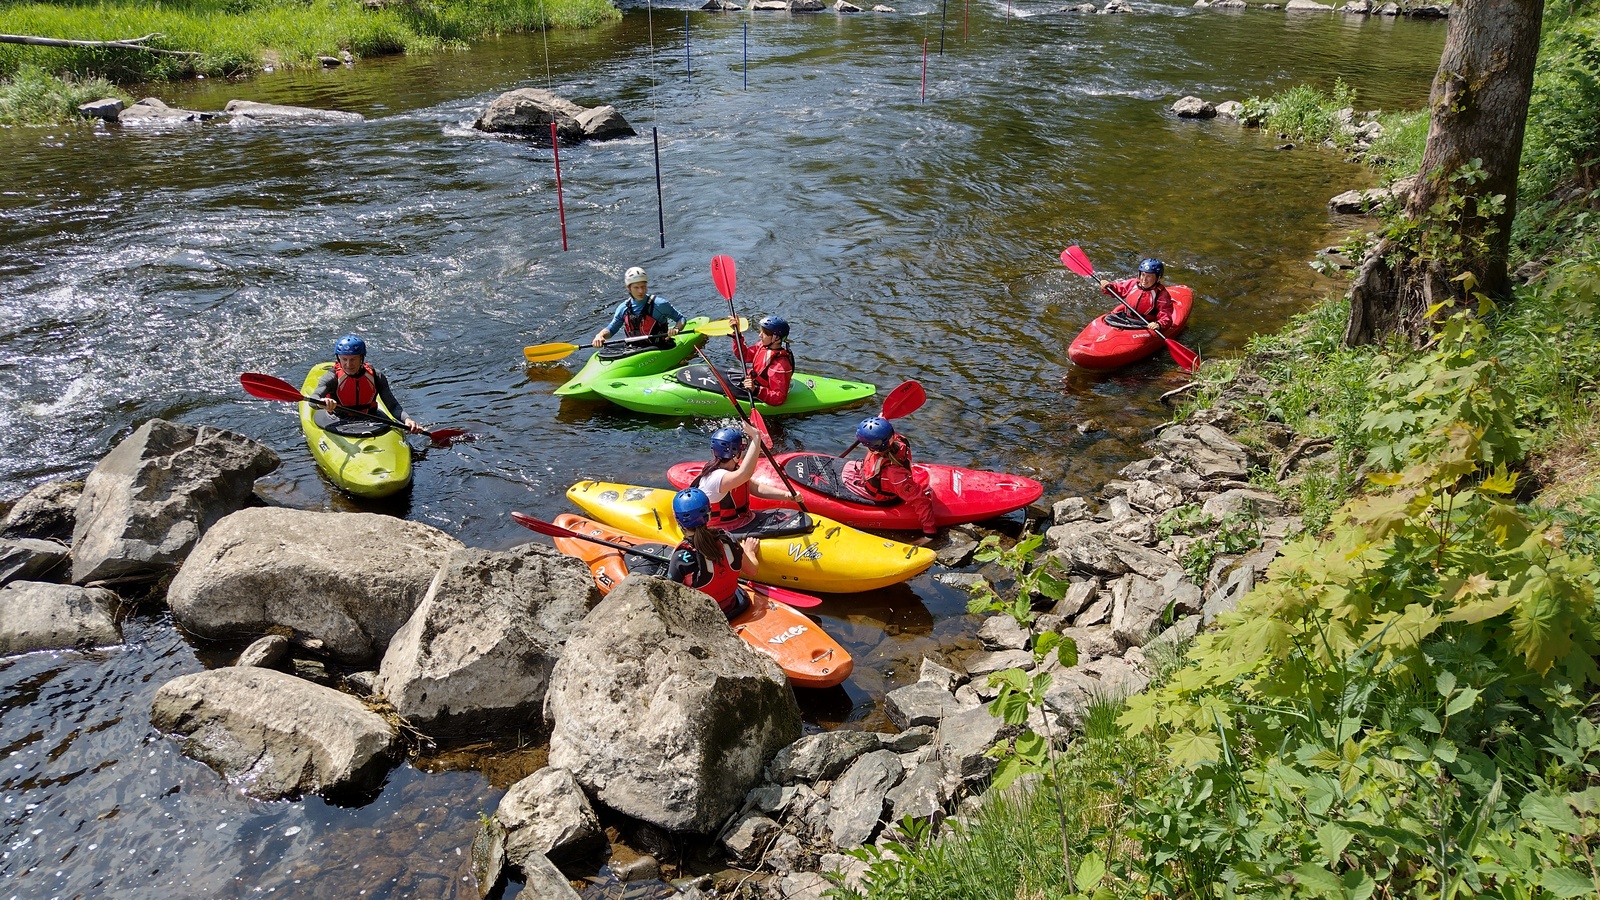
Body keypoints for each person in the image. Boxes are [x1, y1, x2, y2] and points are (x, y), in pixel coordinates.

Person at [667, 488, 761, 620]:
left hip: (706, 617)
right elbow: (752, 570)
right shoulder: (727, 538)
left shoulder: (682, 555)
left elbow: (670, 596)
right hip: (735, 605)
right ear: (709, 514)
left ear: (678, 520)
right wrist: (749, 552)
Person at [843, 417, 937, 545]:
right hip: (884, 476)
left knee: (845, 477)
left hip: (882, 494)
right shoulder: (897, 439)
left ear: (874, 449)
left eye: (865, 444)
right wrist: (880, 422)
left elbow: (920, 499)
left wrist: (929, 533)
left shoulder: (894, 474)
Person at [689, 422, 799, 529]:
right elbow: (745, 474)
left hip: (744, 520)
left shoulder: (731, 470)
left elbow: (756, 488)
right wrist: (756, 438)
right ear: (736, 452)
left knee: (795, 515)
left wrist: (786, 495)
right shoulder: (717, 477)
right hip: (725, 528)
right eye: (743, 449)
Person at [310, 335, 422, 434]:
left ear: (361, 358)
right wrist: (322, 403)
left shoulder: (376, 376)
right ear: (338, 358)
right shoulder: (332, 378)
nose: (348, 364)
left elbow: (392, 405)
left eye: (353, 359)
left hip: (370, 417)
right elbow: (313, 399)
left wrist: (407, 420)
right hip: (338, 419)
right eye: (344, 359)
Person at [591, 266, 687, 348]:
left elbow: (681, 318)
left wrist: (676, 329)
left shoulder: (659, 304)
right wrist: (600, 335)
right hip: (635, 350)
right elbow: (611, 329)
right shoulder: (623, 308)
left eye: (643, 286)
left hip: (661, 347)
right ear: (628, 288)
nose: (641, 291)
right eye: (636, 287)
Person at [1097, 258, 1175, 332]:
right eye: (1143, 275)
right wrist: (1108, 286)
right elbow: (1118, 288)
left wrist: (1158, 324)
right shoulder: (1133, 284)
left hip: (1145, 324)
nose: (1144, 279)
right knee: (1108, 319)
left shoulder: (1161, 294)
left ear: (1158, 278)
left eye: (1149, 276)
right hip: (1126, 318)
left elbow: (1166, 316)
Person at [732, 315, 795, 406]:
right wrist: (737, 333)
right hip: (752, 381)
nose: (760, 335)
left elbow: (779, 398)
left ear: (776, 338)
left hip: (759, 392)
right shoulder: (762, 346)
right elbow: (744, 355)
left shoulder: (780, 366)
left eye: (764, 333)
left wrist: (755, 389)